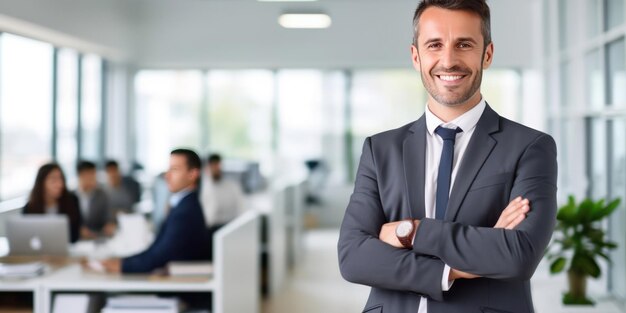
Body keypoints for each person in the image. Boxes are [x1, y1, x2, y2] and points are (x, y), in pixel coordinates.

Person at [337, 1, 558, 312]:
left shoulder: (531, 147)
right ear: (416, 56)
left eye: (464, 44)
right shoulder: (380, 149)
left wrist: (411, 232)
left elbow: (519, 255)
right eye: (434, 44)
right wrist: (454, 268)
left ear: (488, 54)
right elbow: (353, 257)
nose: (448, 60)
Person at [97, 149, 211, 273]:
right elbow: (156, 250)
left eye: (175, 169)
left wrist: (124, 266)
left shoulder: (185, 211)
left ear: (192, 174)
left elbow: (160, 256)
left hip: (179, 285)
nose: (167, 175)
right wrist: (124, 261)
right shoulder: (182, 205)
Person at [23, 163, 82, 243]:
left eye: (61, 179)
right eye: (53, 180)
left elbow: (75, 234)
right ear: (41, 182)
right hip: (39, 252)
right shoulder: (30, 207)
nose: (59, 184)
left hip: (67, 250)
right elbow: (27, 237)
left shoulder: (72, 201)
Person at [201, 154, 244, 229]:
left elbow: (242, 208)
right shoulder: (202, 188)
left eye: (217, 165)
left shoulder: (232, 186)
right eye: (212, 166)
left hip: (229, 226)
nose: (216, 169)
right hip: (208, 228)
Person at [75, 160, 114, 239]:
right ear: (81, 175)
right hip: (77, 239)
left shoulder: (102, 195)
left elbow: (109, 217)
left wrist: (109, 225)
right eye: (90, 174)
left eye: (94, 174)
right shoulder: (72, 196)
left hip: (97, 238)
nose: (93, 178)